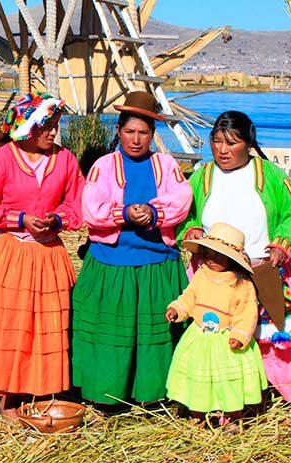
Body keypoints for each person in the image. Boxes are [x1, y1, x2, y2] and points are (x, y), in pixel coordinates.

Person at [178, 111, 291, 404]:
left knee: (274, 331)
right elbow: (184, 212)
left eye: (232, 142)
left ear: (248, 143)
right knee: (221, 331)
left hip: (262, 266)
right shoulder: (202, 176)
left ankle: (284, 392)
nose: (222, 150)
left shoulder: (269, 174)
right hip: (216, 274)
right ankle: (228, 395)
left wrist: (282, 244)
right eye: (216, 142)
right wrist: (190, 229)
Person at [72, 91, 191, 407]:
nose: (136, 140)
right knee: (114, 335)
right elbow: (91, 207)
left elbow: (181, 200)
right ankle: (107, 396)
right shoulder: (104, 166)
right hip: (113, 263)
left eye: (143, 133)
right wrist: (124, 213)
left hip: (156, 264)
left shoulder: (166, 165)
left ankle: (153, 395)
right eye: (129, 132)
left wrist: (152, 213)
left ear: (153, 134)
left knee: (153, 334)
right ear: (118, 131)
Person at [0, 92, 84, 420]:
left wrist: (57, 219)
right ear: (26, 127)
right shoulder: (2, 159)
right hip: (10, 254)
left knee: (48, 324)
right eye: (46, 125)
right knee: (11, 324)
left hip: (48, 254)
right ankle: (7, 397)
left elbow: (76, 204)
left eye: (56, 125)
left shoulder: (65, 160)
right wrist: (20, 220)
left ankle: (40, 390)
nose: (53, 132)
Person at [165, 223, 267, 427]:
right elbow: (189, 297)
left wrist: (239, 335)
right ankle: (198, 413)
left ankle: (231, 417)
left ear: (232, 259)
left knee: (228, 381)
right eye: (208, 253)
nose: (211, 259)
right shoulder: (201, 274)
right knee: (197, 377)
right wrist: (177, 309)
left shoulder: (241, 284)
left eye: (219, 255)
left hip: (226, 341)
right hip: (199, 338)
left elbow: (247, 314)